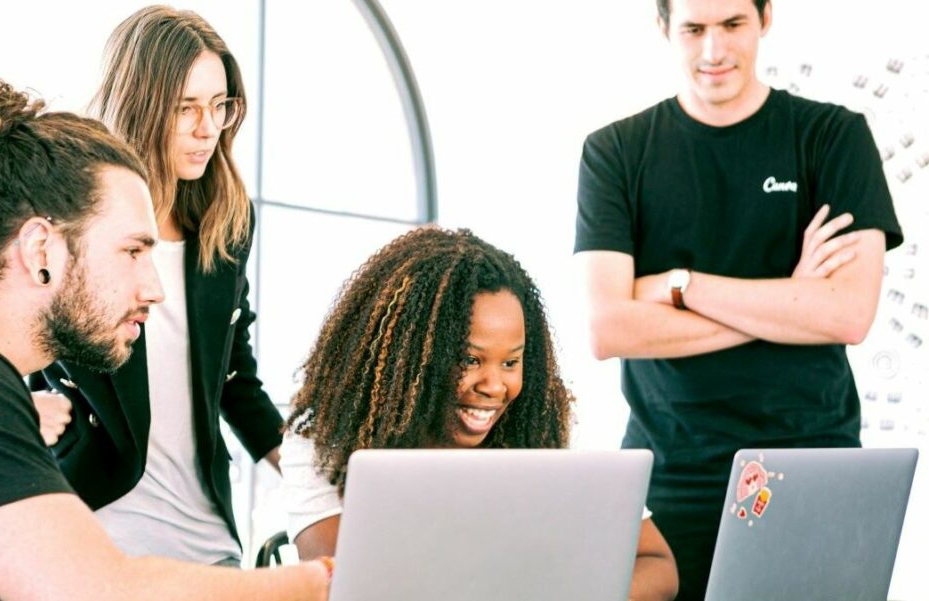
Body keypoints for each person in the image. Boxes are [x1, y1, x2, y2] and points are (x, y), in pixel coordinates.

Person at [0, 77, 329, 599]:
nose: (155, 289)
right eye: (132, 251)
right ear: (41, 249)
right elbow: (95, 590)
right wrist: (321, 581)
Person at [573, 0, 903, 598]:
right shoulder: (614, 153)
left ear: (766, 18)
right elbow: (609, 328)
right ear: (663, 29)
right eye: (694, 29)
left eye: (732, 25)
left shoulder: (833, 137)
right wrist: (793, 302)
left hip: (812, 462)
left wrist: (680, 287)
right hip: (668, 473)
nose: (713, 51)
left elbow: (849, 314)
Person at [281, 227, 680, 601]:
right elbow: (346, 588)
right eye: (470, 359)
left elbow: (659, 567)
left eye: (511, 363)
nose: (493, 386)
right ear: (412, 357)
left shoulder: (538, 430)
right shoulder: (325, 437)